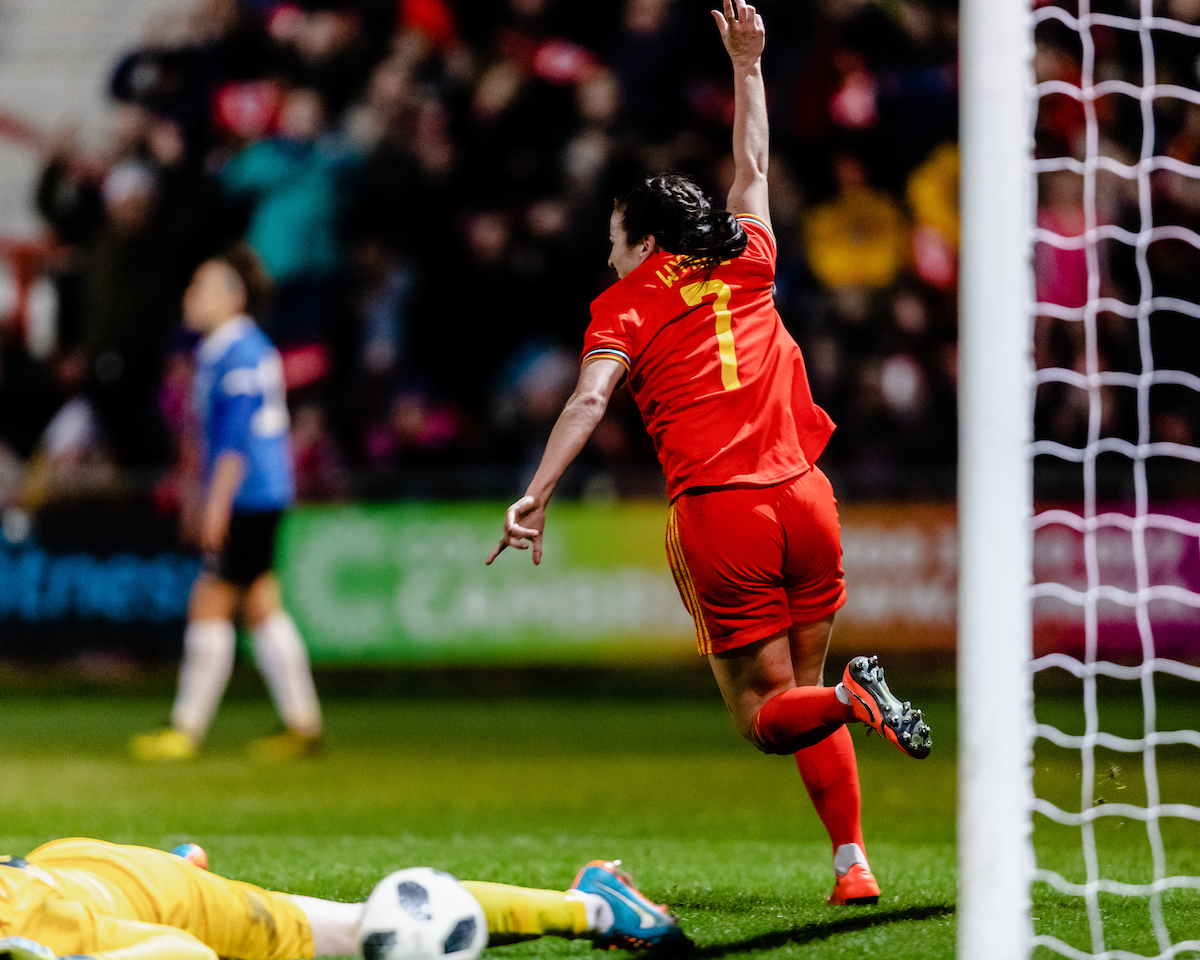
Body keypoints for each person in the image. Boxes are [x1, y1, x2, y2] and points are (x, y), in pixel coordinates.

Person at [487, 0, 932, 907]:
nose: (610, 255)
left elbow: (587, 399)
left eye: (616, 239)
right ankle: (853, 865)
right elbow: (754, 164)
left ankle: (855, 699)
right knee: (805, 684)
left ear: (644, 241)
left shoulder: (624, 306)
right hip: (808, 497)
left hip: (723, 511)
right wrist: (749, 65)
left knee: (764, 716)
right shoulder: (751, 257)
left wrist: (535, 492)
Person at [131, 247, 323, 762]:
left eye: (201, 286)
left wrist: (214, 505)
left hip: (250, 494)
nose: (190, 297)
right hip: (257, 492)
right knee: (260, 605)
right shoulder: (225, 349)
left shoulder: (237, 351)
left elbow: (234, 436)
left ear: (233, 296)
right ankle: (304, 725)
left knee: (211, 599)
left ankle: (185, 729)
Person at [0, 838, 688, 960]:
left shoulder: (28, 935)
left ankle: (593, 906)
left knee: (376, 932)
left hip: (156, 902)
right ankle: (183, 864)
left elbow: (185, 952)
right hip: (72, 866)